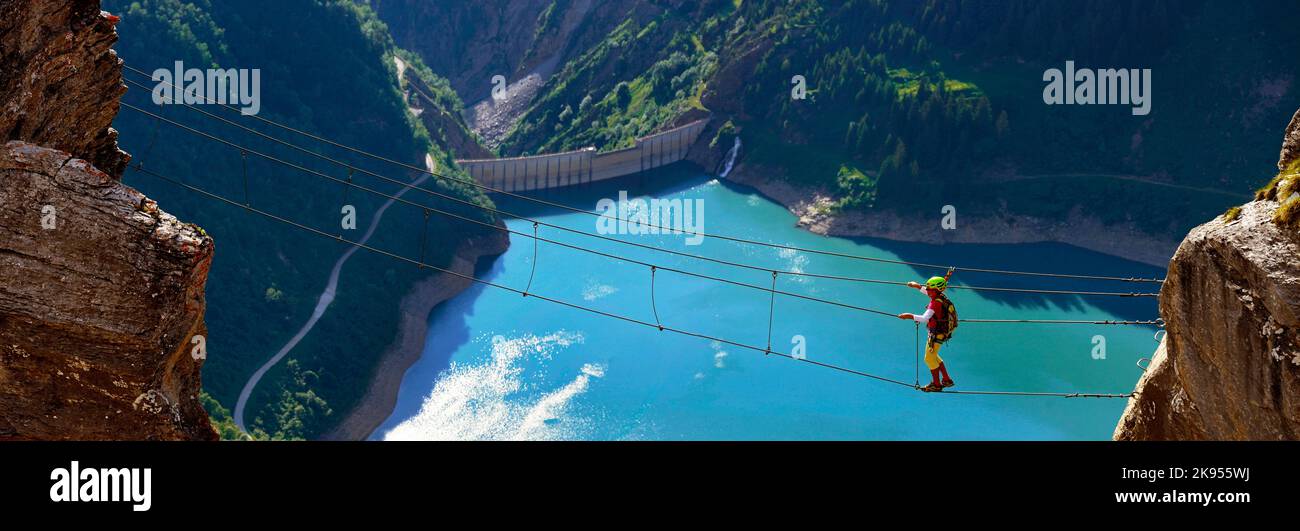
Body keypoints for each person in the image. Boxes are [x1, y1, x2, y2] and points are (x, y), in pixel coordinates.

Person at [897, 271, 956, 392]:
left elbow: (924, 319)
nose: (927, 291)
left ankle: (937, 384)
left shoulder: (935, 304)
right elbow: (928, 292)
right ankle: (946, 379)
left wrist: (909, 316)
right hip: (940, 333)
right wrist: (917, 286)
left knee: (929, 359)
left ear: (936, 290)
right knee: (934, 356)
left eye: (930, 289)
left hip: (936, 334)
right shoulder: (940, 297)